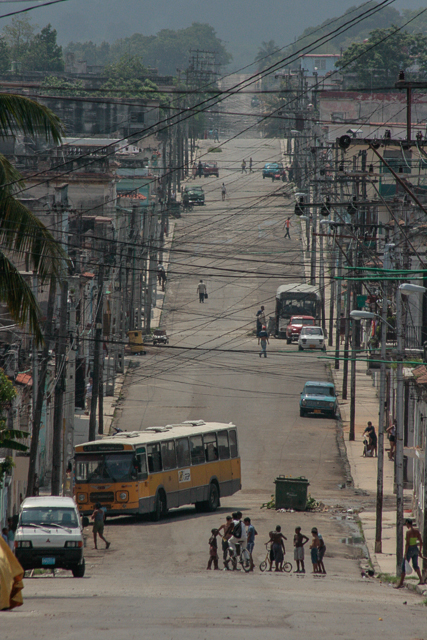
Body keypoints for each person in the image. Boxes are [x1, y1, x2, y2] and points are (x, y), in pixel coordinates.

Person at [395, 519, 424, 588]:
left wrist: (405, 553)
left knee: (403, 566)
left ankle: (401, 583)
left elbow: (407, 543)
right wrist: (419, 551)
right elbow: (421, 542)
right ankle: (421, 579)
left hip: (410, 550)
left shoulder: (408, 532)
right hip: (415, 549)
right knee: (415, 565)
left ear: (407, 523)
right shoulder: (417, 531)